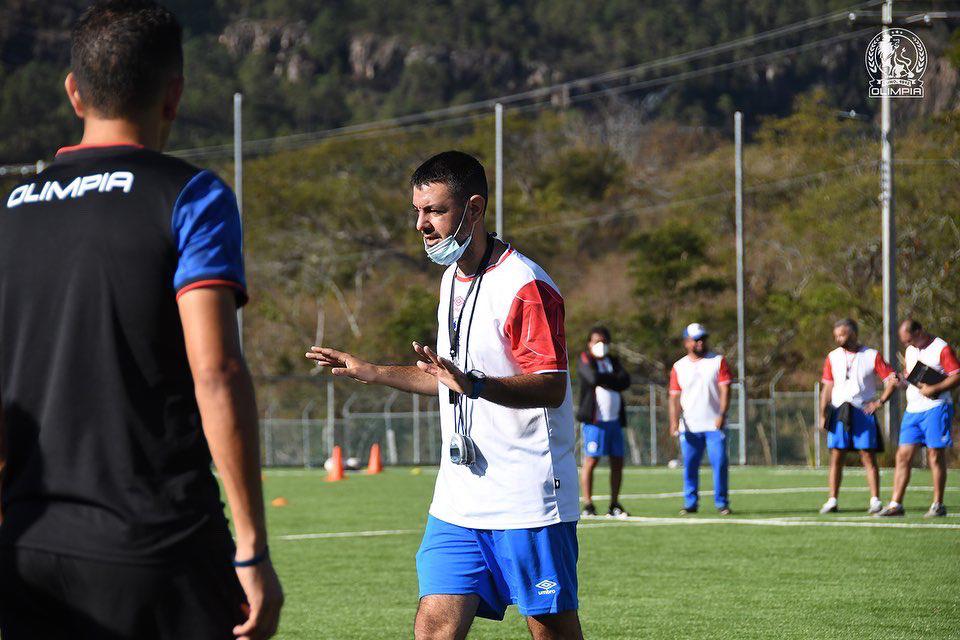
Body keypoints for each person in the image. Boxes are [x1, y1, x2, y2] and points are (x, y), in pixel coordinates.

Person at [0, 2, 283, 638]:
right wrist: (251, 549)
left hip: (29, 549)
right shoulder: (190, 195)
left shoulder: (10, 211)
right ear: (173, 94)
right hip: (160, 545)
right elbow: (216, 370)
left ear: (74, 92)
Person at [307, 151, 582, 639]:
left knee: (550, 628)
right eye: (417, 211)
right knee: (435, 625)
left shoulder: (525, 285)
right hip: (459, 497)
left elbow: (551, 385)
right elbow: (447, 381)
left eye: (434, 210)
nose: (421, 225)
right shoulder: (450, 279)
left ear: (473, 209)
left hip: (527, 496)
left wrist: (474, 384)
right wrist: (371, 371)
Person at [877, 319, 960, 517]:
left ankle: (937, 504)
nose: (908, 344)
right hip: (913, 409)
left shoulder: (941, 348)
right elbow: (911, 378)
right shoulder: (911, 351)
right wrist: (900, 381)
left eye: (910, 340)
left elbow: (956, 375)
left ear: (920, 331)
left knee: (935, 454)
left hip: (936, 407)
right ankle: (896, 504)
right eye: (905, 342)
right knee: (903, 455)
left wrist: (935, 388)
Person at [817, 319, 898, 515]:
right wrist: (822, 413)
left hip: (862, 411)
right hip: (839, 411)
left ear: (853, 334)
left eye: (842, 335)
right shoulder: (833, 356)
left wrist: (880, 402)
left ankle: (875, 500)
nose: (838, 339)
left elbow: (892, 380)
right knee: (836, 455)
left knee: (867, 455)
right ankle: (832, 500)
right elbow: (827, 386)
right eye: (836, 336)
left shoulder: (871, 355)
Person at [668, 323, 733, 515]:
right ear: (686, 342)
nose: (700, 343)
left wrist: (721, 414)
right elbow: (674, 396)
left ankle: (721, 503)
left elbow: (725, 389)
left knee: (719, 463)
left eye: (703, 339)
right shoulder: (679, 366)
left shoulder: (717, 361)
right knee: (690, 465)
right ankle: (690, 503)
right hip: (690, 426)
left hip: (714, 425)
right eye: (696, 340)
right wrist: (673, 421)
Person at [576, 325, 631, 518]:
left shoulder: (613, 361)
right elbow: (592, 378)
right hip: (595, 422)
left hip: (614, 421)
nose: (601, 345)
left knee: (617, 461)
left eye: (604, 341)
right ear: (589, 343)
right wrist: (612, 380)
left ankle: (614, 503)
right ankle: (588, 504)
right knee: (591, 460)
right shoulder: (585, 359)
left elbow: (625, 381)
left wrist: (606, 379)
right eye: (597, 341)